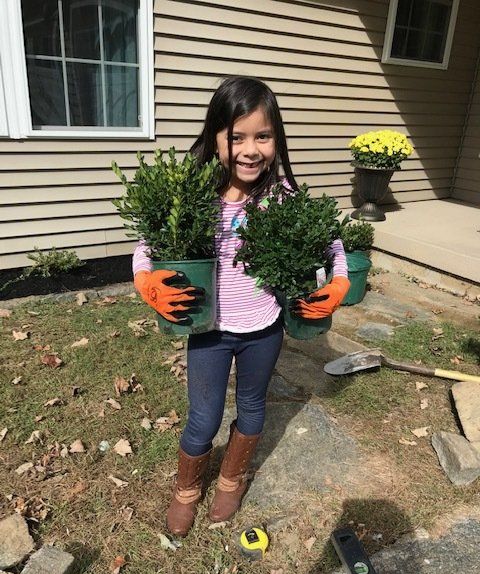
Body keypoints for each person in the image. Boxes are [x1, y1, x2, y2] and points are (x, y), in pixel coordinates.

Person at [132, 76, 350, 537]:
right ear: (215, 138)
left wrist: (339, 283)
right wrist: (146, 281)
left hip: (264, 328)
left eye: (263, 136)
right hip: (209, 329)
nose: (251, 150)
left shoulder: (282, 195)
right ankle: (187, 490)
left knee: (252, 407)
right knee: (203, 417)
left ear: (277, 139)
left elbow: (331, 240)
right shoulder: (193, 196)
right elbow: (147, 244)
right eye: (237, 137)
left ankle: (231, 478)